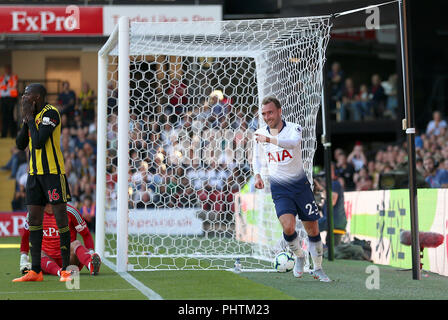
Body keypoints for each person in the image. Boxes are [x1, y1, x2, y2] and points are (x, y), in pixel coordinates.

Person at [252, 96, 330, 282]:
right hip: (279, 188)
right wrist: (257, 175)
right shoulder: (259, 134)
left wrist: (269, 139)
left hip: (300, 186)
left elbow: (292, 144)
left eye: (270, 112)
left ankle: (318, 268)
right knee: (288, 227)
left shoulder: (295, 128)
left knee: (312, 228)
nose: (267, 117)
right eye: (263, 114)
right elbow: (256, 157)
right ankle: (300, 256)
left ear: (279, 111)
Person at [12, 83, 72, 282]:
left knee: (61, 219)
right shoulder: (31, 116)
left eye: (27, 94)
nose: (24, 97)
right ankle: (35, 271)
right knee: (34, 220)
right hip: (34, 175)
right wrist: (26, 120)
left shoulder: (51, 113)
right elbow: (21, 144)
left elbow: (38, 142)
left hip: (53, 174)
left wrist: (29, 119)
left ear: (37, 96)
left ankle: (65, 269)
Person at [17, 203, 101, 278]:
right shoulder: (34, 213)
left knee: (76, 244)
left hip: (69, 260)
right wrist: (23, 259)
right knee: (37, 252)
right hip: (48, 259)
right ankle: (60, 272)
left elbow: (85, 234)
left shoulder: (70, 211)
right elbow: (26, 236)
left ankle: (91, 264)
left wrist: (91, 253)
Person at [315, 164, 347, 247]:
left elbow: (332, 201)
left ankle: (316, 249)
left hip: (334, 221)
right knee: (330, 248)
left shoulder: (334, 184)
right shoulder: (331, 185)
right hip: (333, 221)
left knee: (311, 228)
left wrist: (320, 188)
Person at [0, 64, 19, 138]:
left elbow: (13, 85)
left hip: (11, 99)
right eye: (6, 69)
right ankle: (4, 134)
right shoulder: (2, 78)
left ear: (10, 70)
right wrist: (7, 86)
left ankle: (13, 134)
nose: (7, 70)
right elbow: (2, 86)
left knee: (11, 116)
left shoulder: (14, 77)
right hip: (3, 99)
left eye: (8, 69)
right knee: (4, 116)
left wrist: (5, 86)